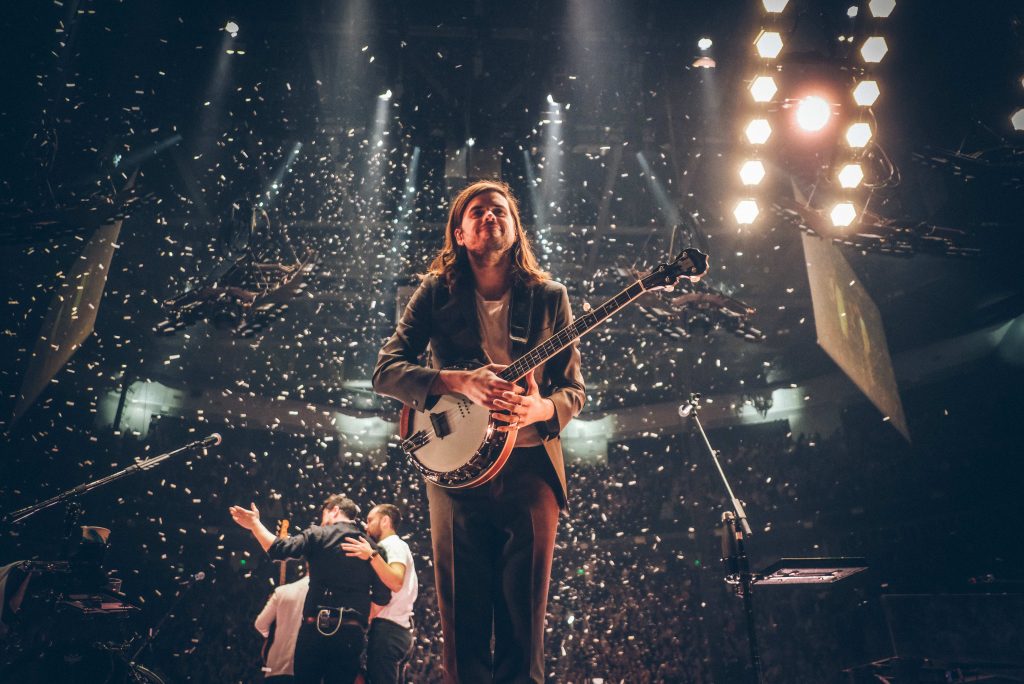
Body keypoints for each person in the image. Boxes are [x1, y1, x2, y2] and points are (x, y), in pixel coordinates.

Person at [373, 180, 586, 683]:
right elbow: (385, 371)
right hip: (453, 470)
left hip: (531, 466)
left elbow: (573, 391)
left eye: (500, 212)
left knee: (523, 620)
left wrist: (539, 409)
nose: (490, 218)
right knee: (461, 619)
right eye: (478, 213)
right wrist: (456, 381)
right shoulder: (434, 292)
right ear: (460, 233)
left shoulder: (550, 297)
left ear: (515, 231)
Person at [230, 495, 391, 684]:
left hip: (315, 628)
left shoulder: (319, 534)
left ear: (334, 511)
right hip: (351, 633)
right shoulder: (372, 548)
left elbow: (279, 549)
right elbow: (382, 597)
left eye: (324, 515)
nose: (323, 522)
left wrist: (255, 525)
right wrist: (356, 620)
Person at [341, 504, 418, 684]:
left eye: (370, 520)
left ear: (385, 521)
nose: (366, 526)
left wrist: (371, 555)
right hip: (396, 630)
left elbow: (396, 581)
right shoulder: (393, 546)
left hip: (389, 630)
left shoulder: (393, 545)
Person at [255, 574, 310, 682]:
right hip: (307, 666)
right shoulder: (327, 595)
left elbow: (260, 624)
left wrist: (273, 636)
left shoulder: (282, 591)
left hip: (277, 665)